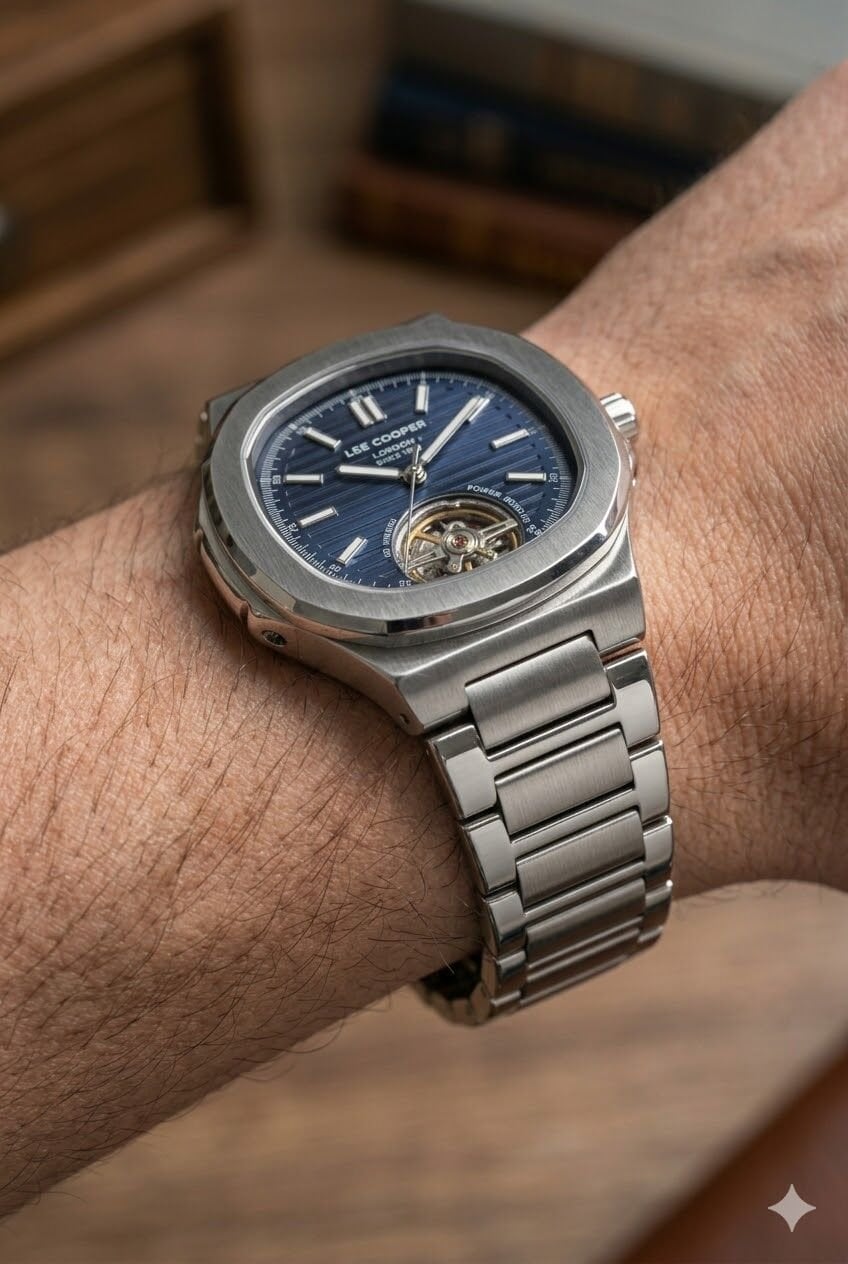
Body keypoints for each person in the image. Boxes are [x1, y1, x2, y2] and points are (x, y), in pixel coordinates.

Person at [0, 62, 845, 1218]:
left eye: (428, 456)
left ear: (602, 430)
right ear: (258, 598)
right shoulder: (297, 562)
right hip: (403, 642)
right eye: (400, 468)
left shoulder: (553, 468)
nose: (412, 475)